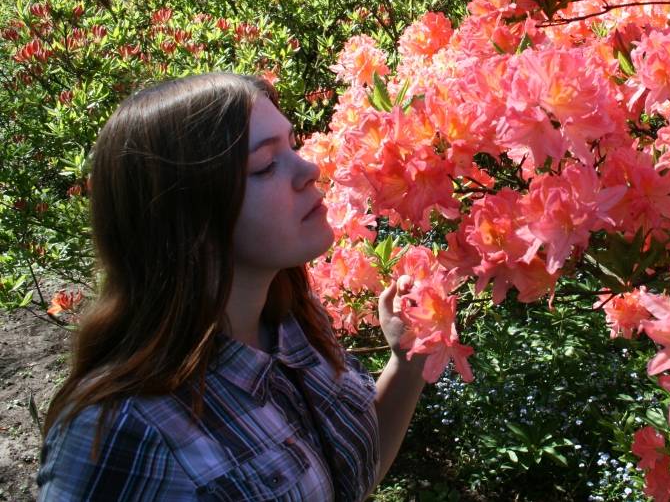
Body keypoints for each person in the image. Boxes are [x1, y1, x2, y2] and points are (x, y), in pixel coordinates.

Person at [36, 72, 425, 501]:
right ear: (186, 218)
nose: (310, 168)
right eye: (265, 165)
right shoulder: (122, 433)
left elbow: (348, 479)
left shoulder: (291, 321)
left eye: (292, 146)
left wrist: (407, 362)